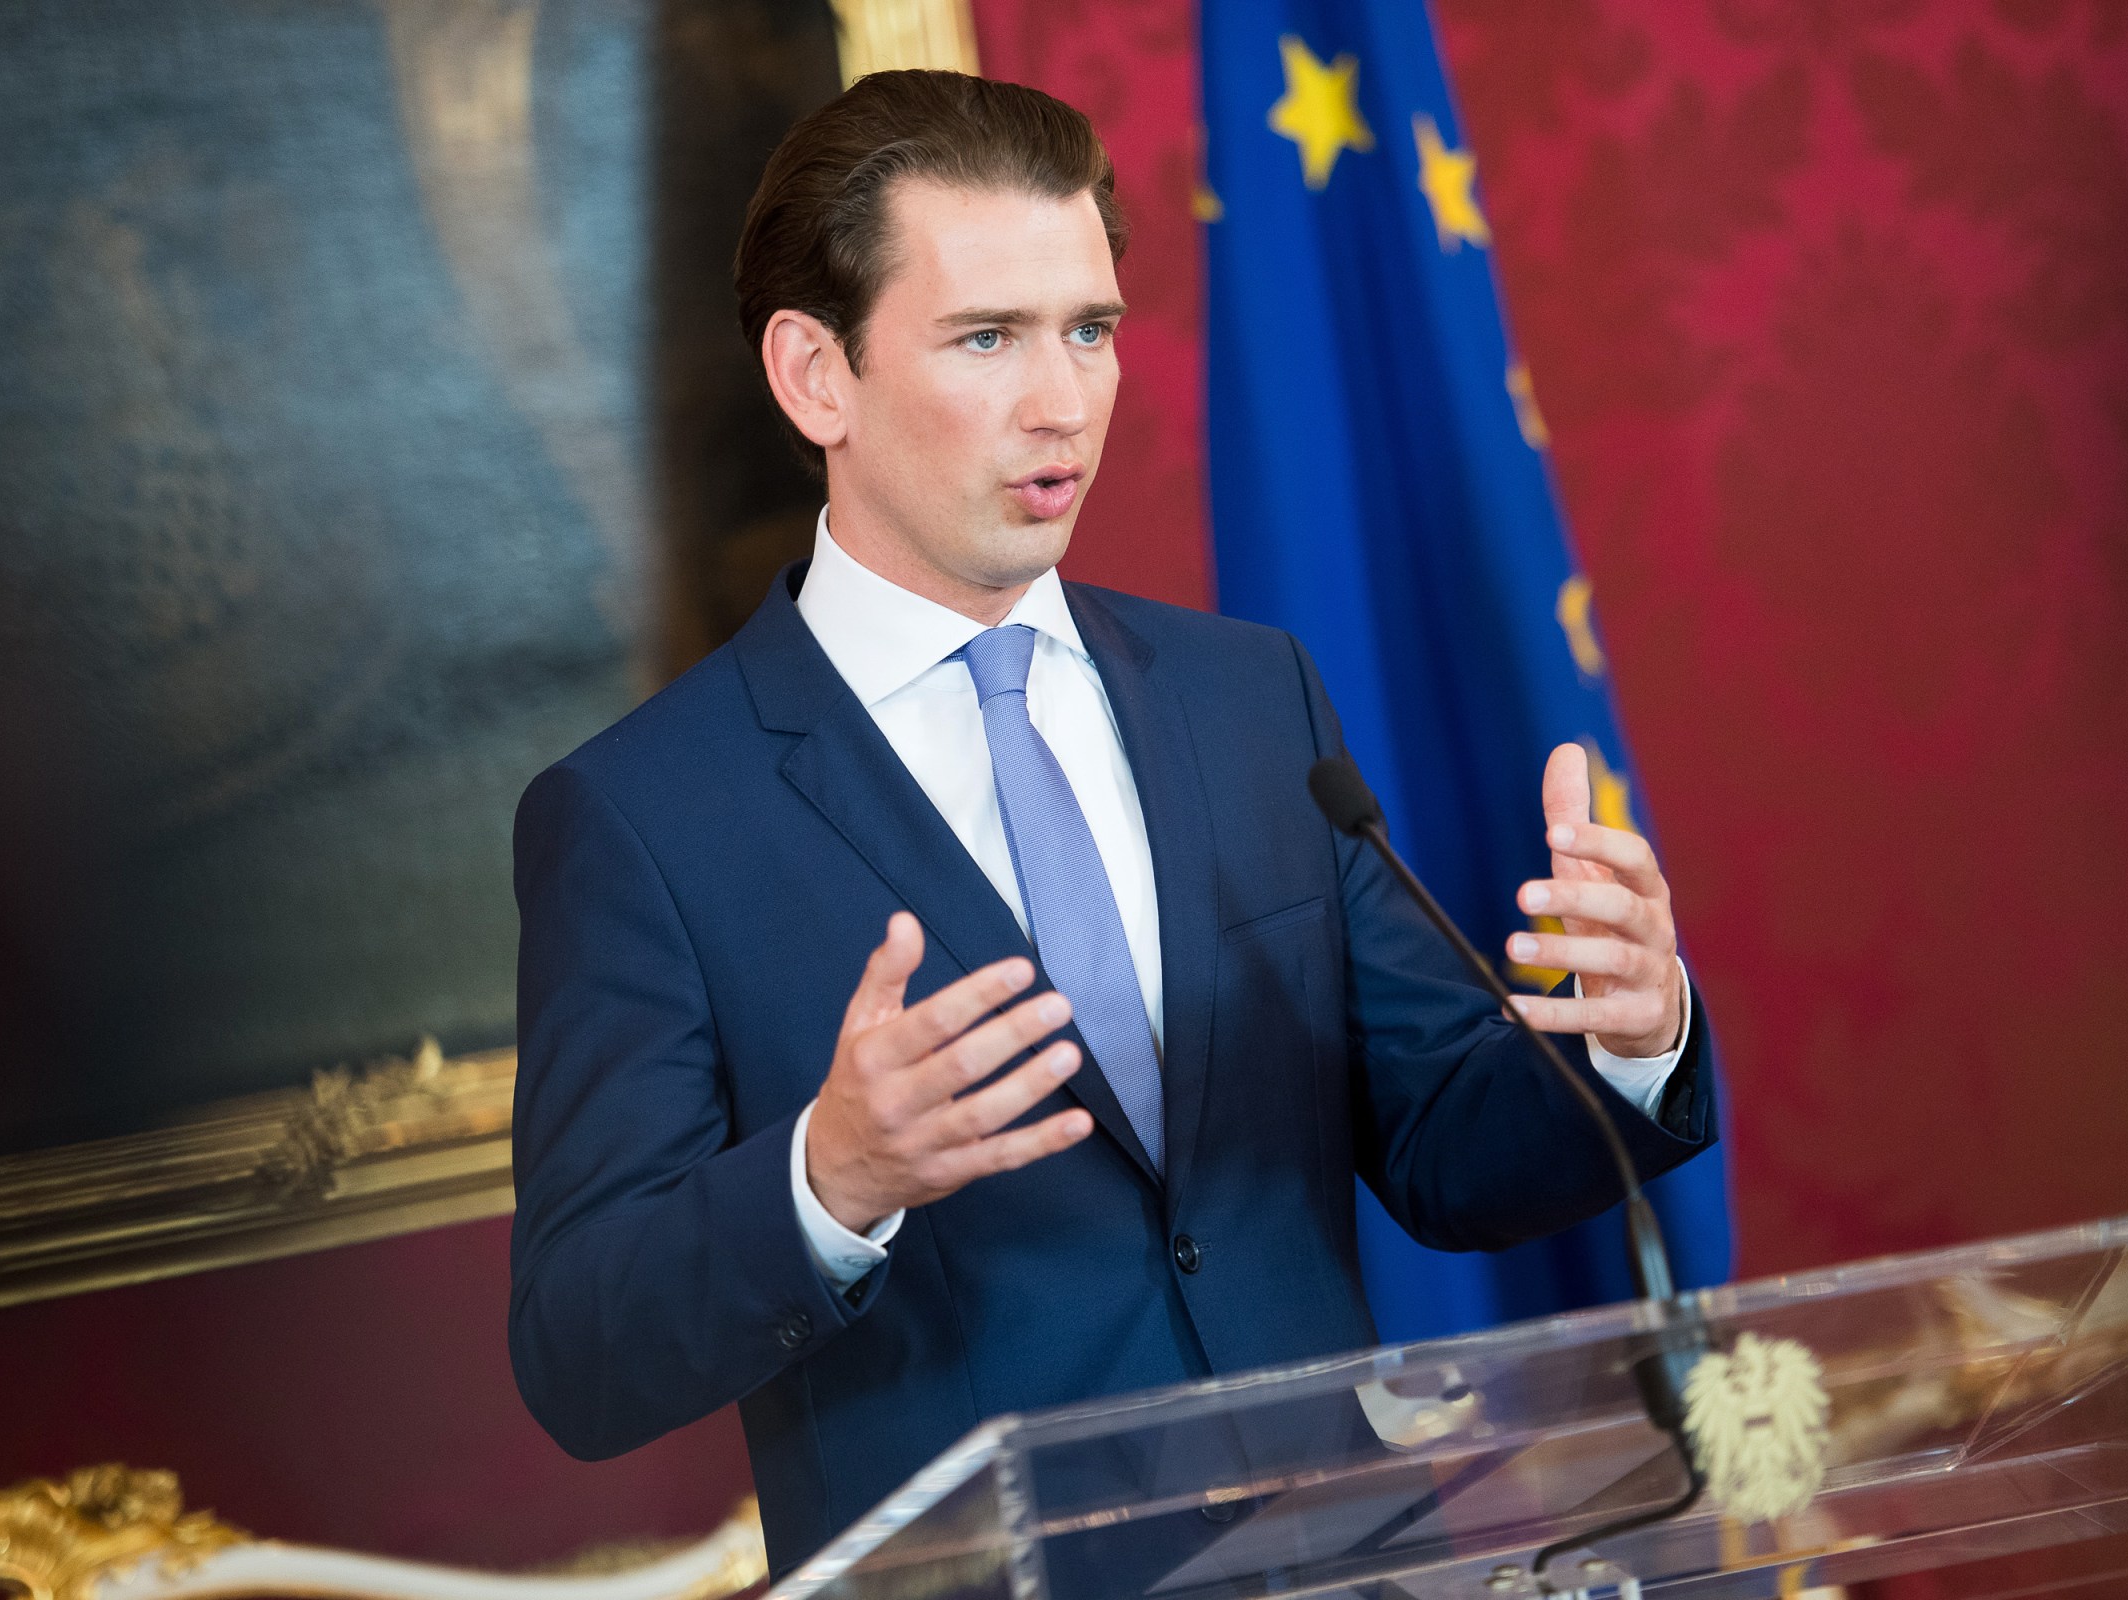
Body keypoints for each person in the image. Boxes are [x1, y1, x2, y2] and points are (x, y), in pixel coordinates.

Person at [507, 69, 1715, 1577]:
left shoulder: (1247, 699)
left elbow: (1447, 1149)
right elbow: (580, 1350)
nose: (1062, 401)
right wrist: (834, 1175)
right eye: (987, 339)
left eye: (1089, 330)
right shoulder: (642, 820)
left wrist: (1628, 1030)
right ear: (818, 376)